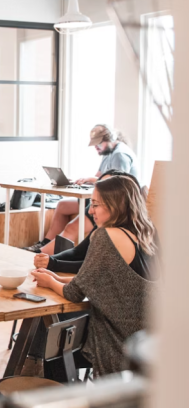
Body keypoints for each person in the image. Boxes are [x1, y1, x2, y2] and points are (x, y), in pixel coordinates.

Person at [31, 176, 158, 378]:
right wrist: (56, 277)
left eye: (96, 204)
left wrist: (49, 282)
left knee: (52, 347)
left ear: (115, 205)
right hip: (146, 341)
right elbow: (99, 281)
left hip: (118, 345)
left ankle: (64, 404)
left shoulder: (106, 235)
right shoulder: (144, 234)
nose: (90, 211)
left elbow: (74, 294)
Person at [26, 125, 140, 254]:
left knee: (71, 228)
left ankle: (43, 254)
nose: (96, 148)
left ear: (110, 139)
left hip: (113, 204)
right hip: (104, 198)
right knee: (63, 205)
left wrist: (92, 180)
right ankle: (46, 243)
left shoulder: (120, 155)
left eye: (98, 144)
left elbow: (118, 187)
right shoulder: (108, 153)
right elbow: (99, 176)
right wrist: (81, 181)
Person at [32, 170, 142, 274]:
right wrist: (48, 259)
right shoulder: (109, 224)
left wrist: (53, 264)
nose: (90, 211)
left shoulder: (118, 234)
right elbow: (79, 252)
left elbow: (91, 271)